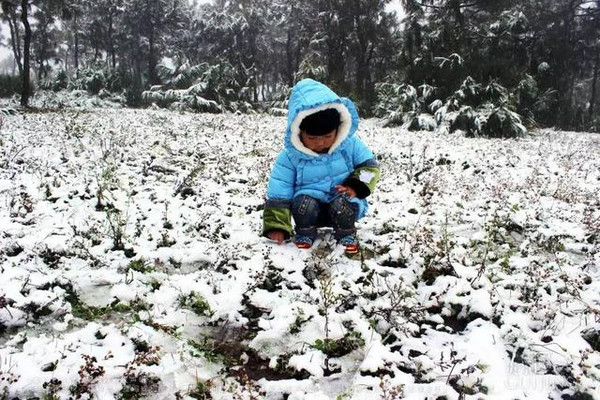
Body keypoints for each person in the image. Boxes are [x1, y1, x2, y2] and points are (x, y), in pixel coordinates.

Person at [262, 79, 380, 254]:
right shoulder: (290, 157)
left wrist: (355, 186)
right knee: (303, 202)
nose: (320, 143)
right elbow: (280, 190)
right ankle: (305, 232)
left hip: (342, 201)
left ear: (337, 129)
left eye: (327, 136)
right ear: (298, 131)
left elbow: (370, 167)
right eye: (311, 138)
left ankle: (346, 233)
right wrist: (277, 225)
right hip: (309, 209)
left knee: (343, 203)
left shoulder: (350, 145)